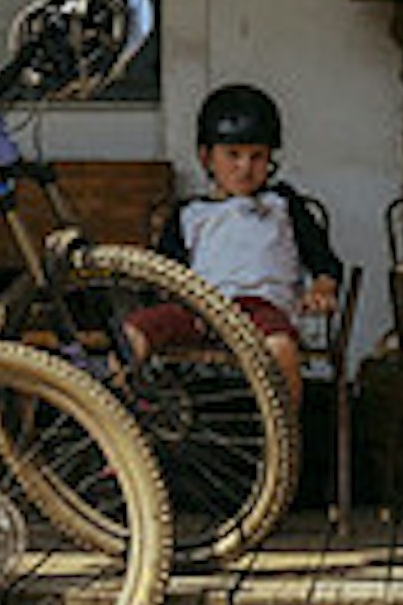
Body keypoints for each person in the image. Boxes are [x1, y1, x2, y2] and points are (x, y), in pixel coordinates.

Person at [135, 81, 342, 391]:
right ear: (206, 158)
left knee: (281, 351)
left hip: (262, 311)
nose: (245, 168)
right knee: (131, 335)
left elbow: (323, 261)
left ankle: (285, 436)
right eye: (233, 155)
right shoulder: (189, 214)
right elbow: (166, 272)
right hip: (200, 311)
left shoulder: (282, 205)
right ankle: (121, 423)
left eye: (257, 156)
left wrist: (323, 288)